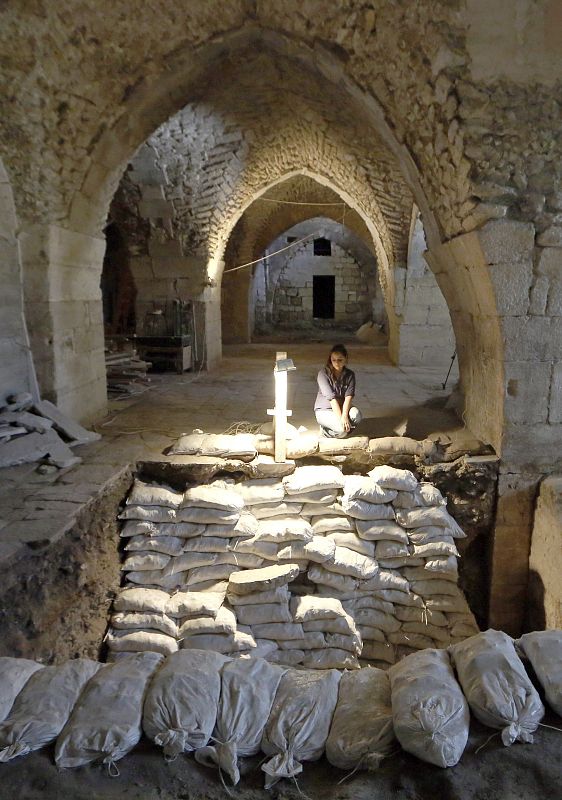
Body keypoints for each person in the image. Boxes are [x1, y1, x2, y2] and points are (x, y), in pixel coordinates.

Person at [314, 344, 362, 438]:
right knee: (341, 430)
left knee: (356, 416)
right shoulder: (323, 374)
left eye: (340, 360)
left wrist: (344, 415)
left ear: (345, 359)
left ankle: (340, 428)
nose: (336, 363)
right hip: (324, 410)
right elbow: (332, 400)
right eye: (333, 360)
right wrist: (342, 420)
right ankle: (325, 431)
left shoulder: (350, 375)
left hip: (341, 407)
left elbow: (348, 397)